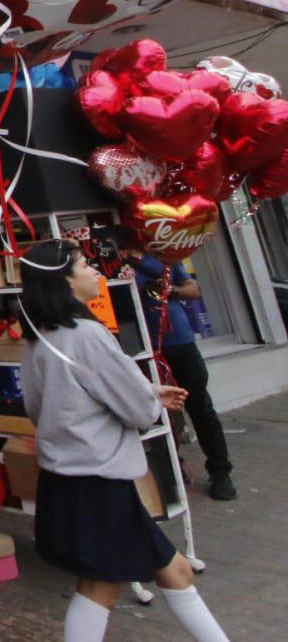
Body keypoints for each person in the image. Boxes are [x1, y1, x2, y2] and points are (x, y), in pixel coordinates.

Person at [19, 239, 229, 642]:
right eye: (85, 266)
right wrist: (150, 401)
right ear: (64, 280)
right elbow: (135, 408)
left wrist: (149, 394)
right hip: (98, 483)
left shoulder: (38, 339)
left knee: (172, 572)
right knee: (101, 586)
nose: (96, 272)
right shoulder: (87, 335)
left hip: (73, 480)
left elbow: (43, 407)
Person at [127, 237, 236, 501]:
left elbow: (193, 288)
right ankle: (170, 470)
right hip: (138, 343)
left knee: (199, 405)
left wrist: (168, 290)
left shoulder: (166, 253)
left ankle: (221, 472)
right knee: (150, 410)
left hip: (178, 340)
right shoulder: (115, 253)